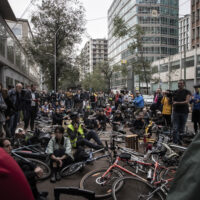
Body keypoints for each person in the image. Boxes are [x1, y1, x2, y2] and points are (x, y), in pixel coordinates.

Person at [172, 80, 191, 144]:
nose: (179, 84)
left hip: (184, 112)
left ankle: (180, 141)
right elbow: (172, 101)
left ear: (184, 84)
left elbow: (187, 101)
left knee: (181, 128)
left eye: (181, 83)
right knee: (175, 128)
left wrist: (177, 103)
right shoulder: (175, 92)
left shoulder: (187, 92)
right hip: (176, 112)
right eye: (178, 83)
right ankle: (175, 142)